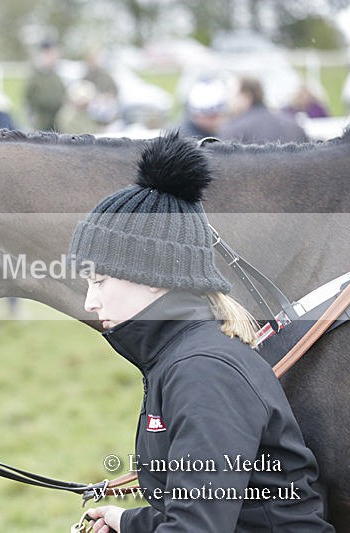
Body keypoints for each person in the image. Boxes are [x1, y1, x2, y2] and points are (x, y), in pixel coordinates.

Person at [68, 133, 333, 532]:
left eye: (100, 280)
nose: (89, 302)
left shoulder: (203, 371)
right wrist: (129, 522)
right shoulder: (180, 357)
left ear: (153, 277)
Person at [218, 76, 307, 143]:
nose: (229, 99)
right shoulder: (293, 125)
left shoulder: (234, 129)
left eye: (231, 93)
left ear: (246, 97)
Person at [23, 39, 67, 132]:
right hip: (41, 126)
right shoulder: (35, 77)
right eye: (50, 54)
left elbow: (62, 96)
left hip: (56, 125)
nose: (54, 58)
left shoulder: (56, 77)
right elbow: (28, 103)